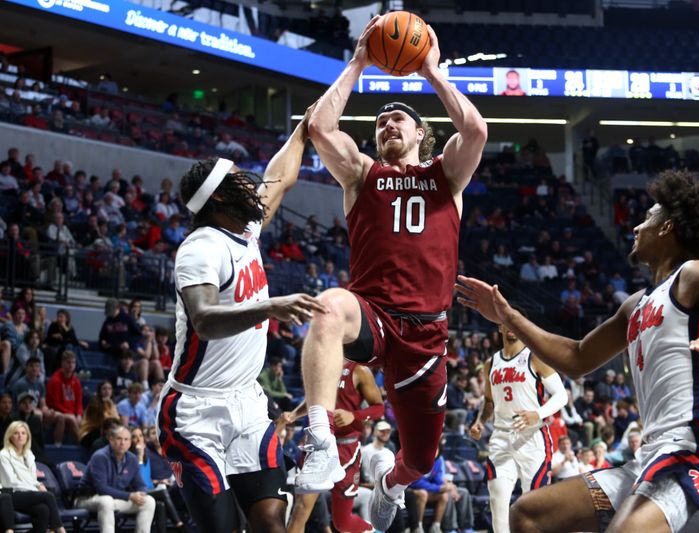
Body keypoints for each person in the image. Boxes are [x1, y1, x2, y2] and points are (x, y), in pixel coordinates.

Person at [455, 171, 699, 532]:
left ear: (667, 227)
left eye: (647, 219)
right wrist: (508, 316)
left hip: (697, 454)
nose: (636, 228)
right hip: (649, 456)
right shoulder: (635, 306)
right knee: (528, 514)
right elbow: (577, 357)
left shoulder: (694, 275)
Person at [296, 15, 487, 531]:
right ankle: (318, 441)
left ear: (422, 134)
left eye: (399, 119)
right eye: (381, 122)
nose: (388, 125)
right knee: (328, 306)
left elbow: (475, 129)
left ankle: (392, 484)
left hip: (425, 330)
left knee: (422, 458)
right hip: (373, 313)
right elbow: (318, 127)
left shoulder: (446, 175)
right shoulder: (361, 174)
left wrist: (431, 69)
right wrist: (359, 60)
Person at [156, 107, 325, 533]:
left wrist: (303, 131)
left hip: (247, 403)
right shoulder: (200, 248)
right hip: (194, 412)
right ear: (218, 198)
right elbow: (205, 320)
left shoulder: (245, 228)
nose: (249, 183)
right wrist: (269, 307)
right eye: (236, 179)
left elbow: (280, 178)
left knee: (271, 521)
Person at [468, 308, 567, 533]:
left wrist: (538, 414)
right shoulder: (490, 363)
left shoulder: (535, 356)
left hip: (533, 437)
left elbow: (562, 396)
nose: (511, 327)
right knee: (498, 500)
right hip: (502, 437)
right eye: (507, 322)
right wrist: (480, 421)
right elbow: (488, 400)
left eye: (516, 322)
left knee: (533, 504)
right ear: (500, 327)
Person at [284, 361, 383, 533]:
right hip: (320, 446)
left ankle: (370, 530)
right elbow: (313, 402)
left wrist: (354, 415)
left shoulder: (359, 370)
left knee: (342, 523)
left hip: (347, 449)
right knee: (300, 511)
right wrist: (294, 415)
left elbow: (379, 408)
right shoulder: (321, 366)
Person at [77, 425, 156, 532]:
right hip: (88, 498)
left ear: (129, 442)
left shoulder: (132, 459)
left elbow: (141, 484)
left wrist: (141, 494)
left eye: (126, 439)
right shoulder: (100, 457)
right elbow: (101, 488)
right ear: (111, 440)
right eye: (119, 439)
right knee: (106, 501)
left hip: (115, 499)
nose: (122, 443)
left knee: (149, 501)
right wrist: (129, 495)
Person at [0, 422, 65, 533]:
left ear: (28, 436)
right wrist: (36, 488)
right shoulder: (4, 455)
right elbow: (10, 482)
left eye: (23, 433)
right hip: (12, 493)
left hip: (27, 494)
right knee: (47, 496)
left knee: (43, 510)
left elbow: (31, 479)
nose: (20, 436)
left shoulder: (29, 455)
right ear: (10, 436)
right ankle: (60, 529)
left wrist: (38, 484)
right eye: (16, 433)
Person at [44, 350, 82, 444]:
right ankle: (81, 443)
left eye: (73, 362)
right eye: (68, 362)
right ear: (62, 363)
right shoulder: (55, 380)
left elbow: (79, 402)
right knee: (71, 419)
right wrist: (71, 414)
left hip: (72, 413)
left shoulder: (76, 381)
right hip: (57, 412)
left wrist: (79, 414)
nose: (71, 365)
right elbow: (54, 403)